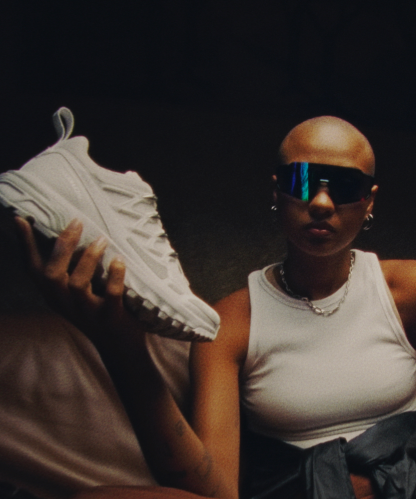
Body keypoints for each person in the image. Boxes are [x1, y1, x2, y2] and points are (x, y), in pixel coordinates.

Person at [15, 116, 416, 499]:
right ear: (277, 192)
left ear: (368, 201)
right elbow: (216, 493)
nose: (323, 202)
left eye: (345, 186)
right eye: (303, 181)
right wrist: (123, 347)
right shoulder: (230, 325)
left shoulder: (406, 289)